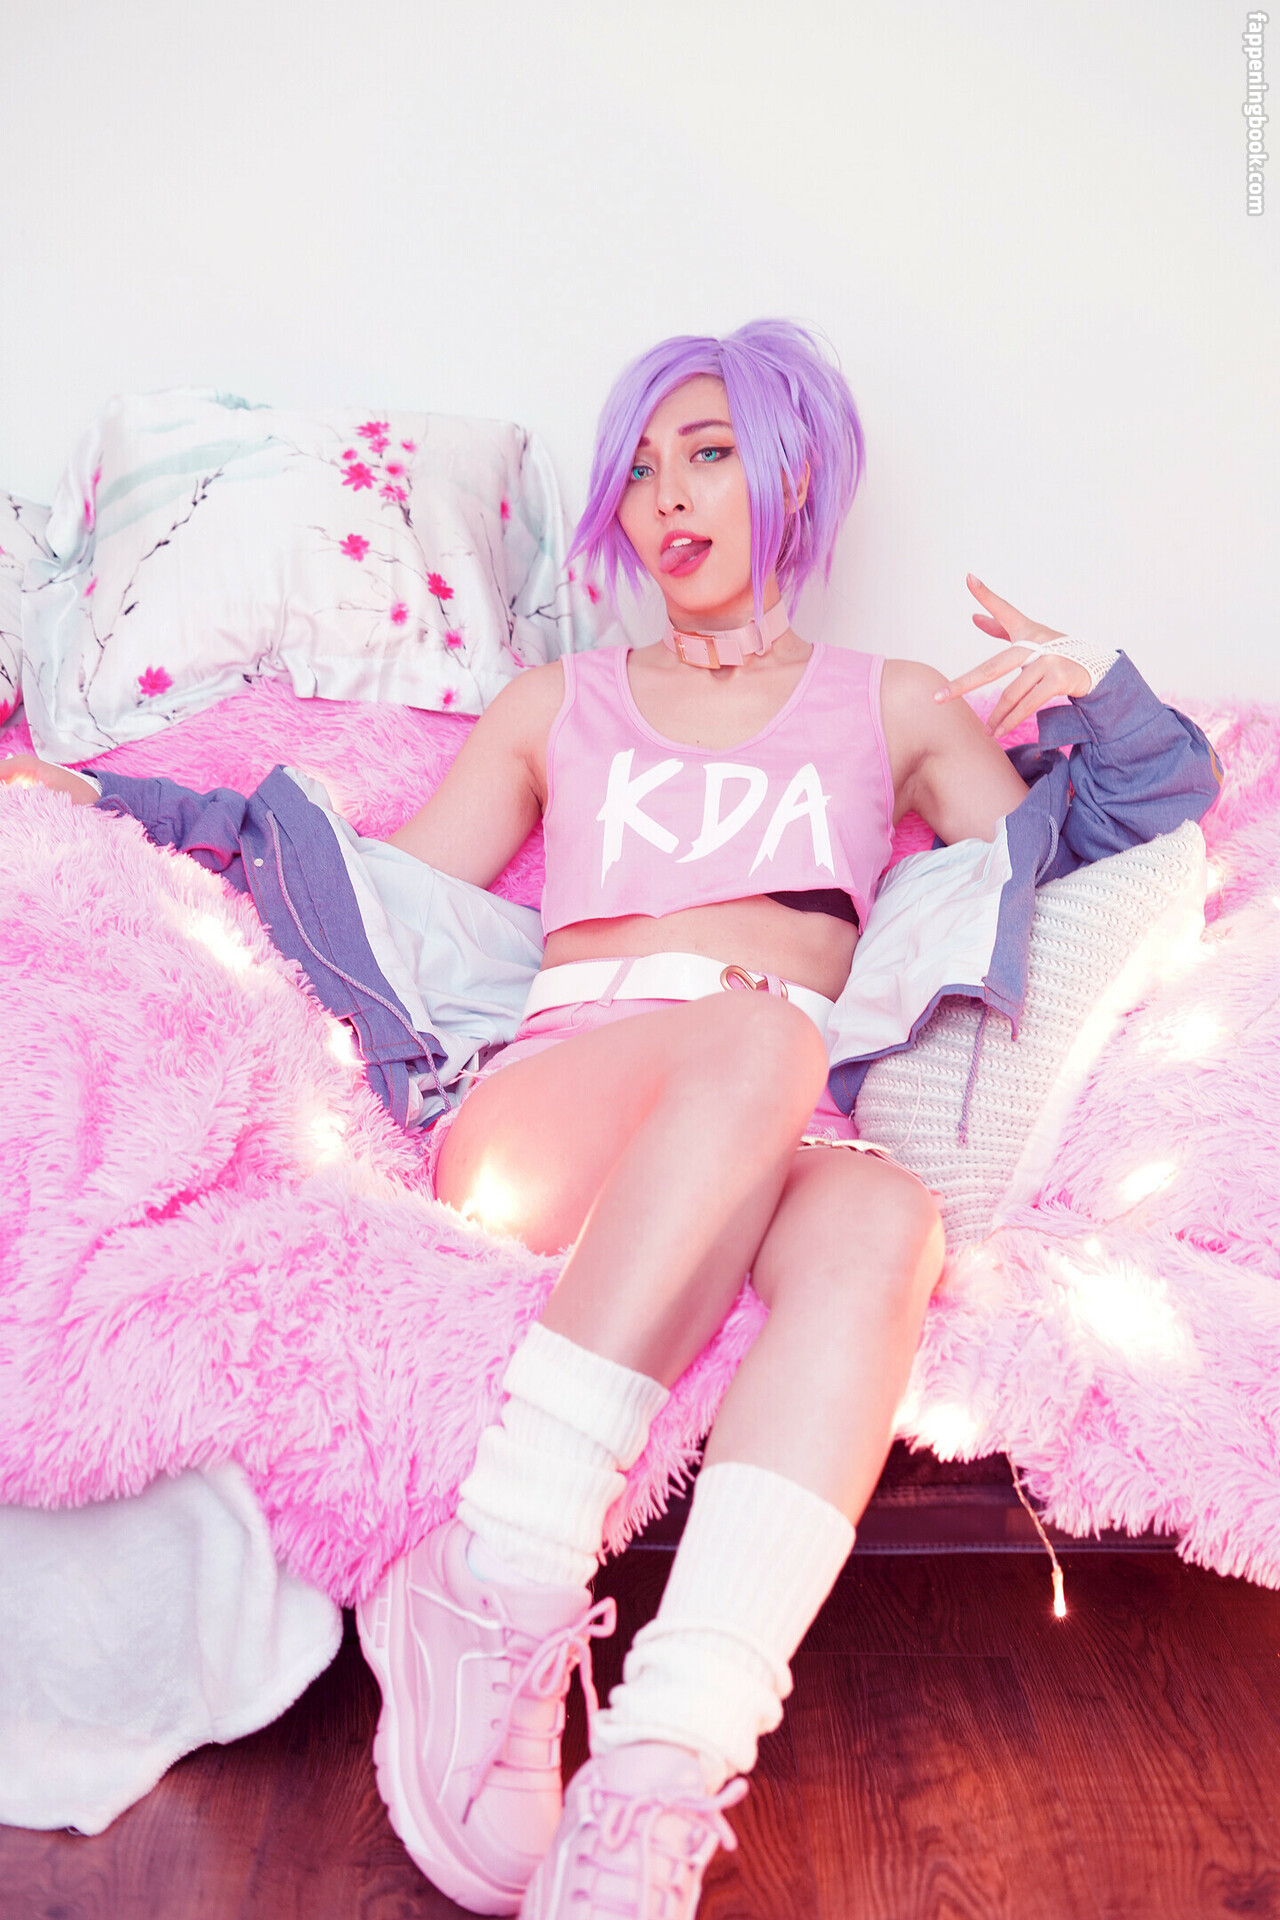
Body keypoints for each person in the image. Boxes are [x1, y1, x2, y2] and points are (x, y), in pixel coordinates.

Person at [1, 320, 1220, 1917]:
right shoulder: (558, 702)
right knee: (760, 1033)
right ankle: (503, 1574)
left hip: (769, 1124)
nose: (667, 497)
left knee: (886, 1218)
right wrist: (123, 801)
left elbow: (1089, 856)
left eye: (708, 454)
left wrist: (1095, 698)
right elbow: (365, 874)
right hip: (552, 1115)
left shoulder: (896, 705)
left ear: (795, 473)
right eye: (641, 470)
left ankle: (661, 1773)